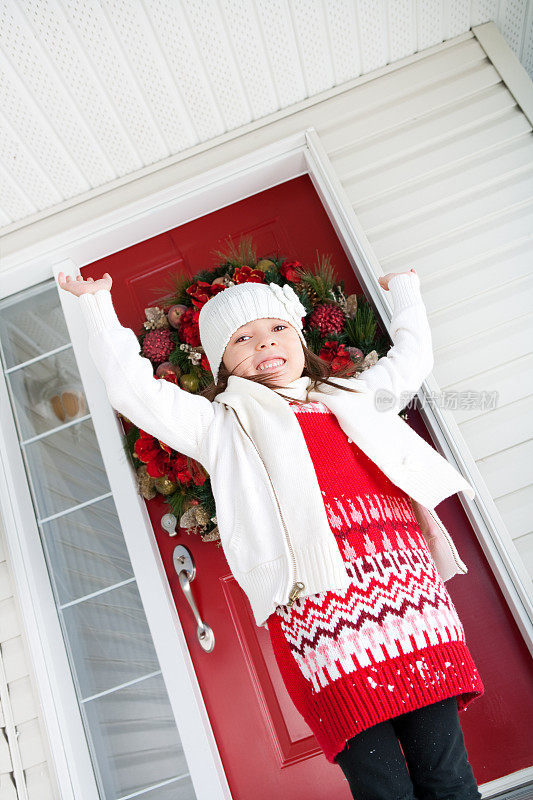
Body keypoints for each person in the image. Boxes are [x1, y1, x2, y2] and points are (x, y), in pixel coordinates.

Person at [57, 267, 484, 799]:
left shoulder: (352, 394)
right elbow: (132, 390)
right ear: (222, 362)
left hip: (411, 604)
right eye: (243, 338)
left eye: (276, 328)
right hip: (324, 627)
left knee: (446, 774)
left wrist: (405, 290)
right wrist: (97, 306)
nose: (265, 343)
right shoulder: (220, 426)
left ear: (299, 337)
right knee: (384, 788)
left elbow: (412, 362)